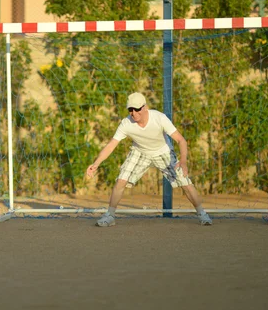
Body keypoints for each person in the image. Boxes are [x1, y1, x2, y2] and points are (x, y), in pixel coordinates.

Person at [86, 92, 212, 227]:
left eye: (137, 109)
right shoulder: (126, 123)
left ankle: (202, 214)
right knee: (121, 180)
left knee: (185, 181)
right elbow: (111, 145)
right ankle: (110, 216)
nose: (134, 113)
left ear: (145, 107)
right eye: (130, 110)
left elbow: (181, 140)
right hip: (140, 152)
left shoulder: (159, 118)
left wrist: (184, 162)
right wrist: (96, 163)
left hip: (163, 152)